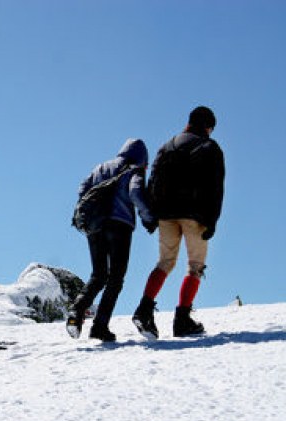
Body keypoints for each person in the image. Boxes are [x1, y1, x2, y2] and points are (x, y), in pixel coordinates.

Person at [132, 106, 225, 338]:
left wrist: (153, 215)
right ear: (207, 126)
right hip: (195, 215)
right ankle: (182, 319)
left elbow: (153, 181)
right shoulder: (210, 147)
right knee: (195, 265)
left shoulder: (167, 146)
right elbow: (216, 188)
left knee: (164, 262)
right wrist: (212, 220)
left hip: (165, 215)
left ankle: (144, 309)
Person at [67, 138, 156, 342]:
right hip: (119, 225)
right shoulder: (134, 169)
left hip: (94, 226)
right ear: (142, 158)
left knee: (98, 275)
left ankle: (77, 310)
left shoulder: (100, 167)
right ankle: (99, 326)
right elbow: (135, 193)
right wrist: (149, 218)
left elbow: (83, 190)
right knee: (115, 278)